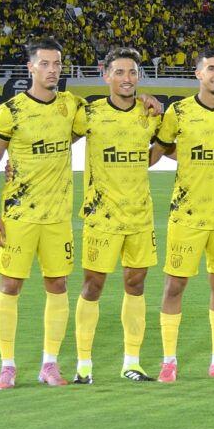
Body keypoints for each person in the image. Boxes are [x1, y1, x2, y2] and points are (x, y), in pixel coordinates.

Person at [0, 38, 86, 389]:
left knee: (57, 284)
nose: (53, 70)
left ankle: (49, 364)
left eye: (57, 64)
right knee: (11, 285)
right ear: (30, 67)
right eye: (45, 64)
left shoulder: (71, 106)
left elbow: (107, 113)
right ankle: (7, 366)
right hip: (19, 216)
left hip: (58, 217)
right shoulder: (11, 110)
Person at [151, 47, 214, 381]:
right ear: (198, 73)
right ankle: (169, 361)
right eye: (211, 69)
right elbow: (162, 148)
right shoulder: (178, 112)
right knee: (175, 286)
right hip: (186, 214)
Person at [71, 47, 163, 383]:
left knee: (136, 285)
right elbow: (57, 141)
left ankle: (132, 362)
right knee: (93, 286)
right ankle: (84, 364)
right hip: (102, 216)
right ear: (105, 74)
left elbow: (160, 148)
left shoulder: (149, 113)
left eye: (133, 72)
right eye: (120, 72)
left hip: (139, 215)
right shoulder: (89, 114)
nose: (127, 79)